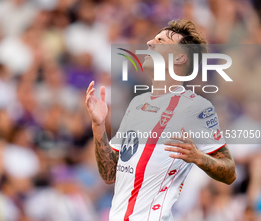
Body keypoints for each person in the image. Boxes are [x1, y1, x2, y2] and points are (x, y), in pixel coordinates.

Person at [85, 19, 236, 221]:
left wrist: (198, 157)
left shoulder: (196, 108)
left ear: (180, 58)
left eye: (160, 41)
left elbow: (229, 172)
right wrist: (98, 126)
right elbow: (109, 174)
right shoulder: (137, 104)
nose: (149, 42)